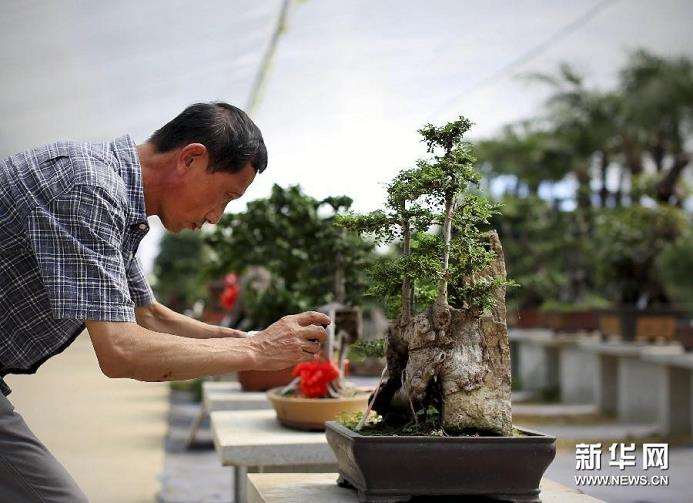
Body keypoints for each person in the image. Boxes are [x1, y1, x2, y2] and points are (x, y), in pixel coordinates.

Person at [0, 102, 329, 502]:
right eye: (224, 196)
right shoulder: (88, 188)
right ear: (191, 158)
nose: (215, 217)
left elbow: (149, 316)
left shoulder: (116, 195)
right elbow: (121, 350)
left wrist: (249, 338)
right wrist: (256, 350)